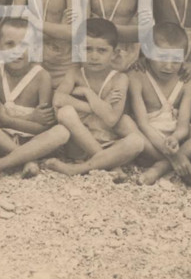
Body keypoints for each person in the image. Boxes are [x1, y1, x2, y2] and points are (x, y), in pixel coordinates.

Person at [0, 18, 71, 180]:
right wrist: (28, 119)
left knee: (61, 132)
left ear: (35, 48)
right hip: (1, 140)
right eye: (10, 44)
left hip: (33, 142)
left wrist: (6, 119)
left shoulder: (42, 77)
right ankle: (25, 159)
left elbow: (42, 128)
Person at [43, 18, 146, 176]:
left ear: (114, 53)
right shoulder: (75, 73)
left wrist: (87, 93)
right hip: (80, 144)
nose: (94, 56)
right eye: (88, 49)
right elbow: (58, 99)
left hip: (111, 144)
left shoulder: (120, 79)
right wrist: (99, 106)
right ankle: (109, 164)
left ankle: (78, 169)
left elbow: (111, 119)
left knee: (136, 140)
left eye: (102, 51)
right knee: (65, 112)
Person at [131, 23, 191, 185]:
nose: (168, 66)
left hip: (175, 140)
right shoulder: (137, 76)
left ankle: (162, 167)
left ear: (184, 57)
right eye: (161, 58)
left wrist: (174, 139)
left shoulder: (188, 80)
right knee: (125, 122)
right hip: (148, 141)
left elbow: (182, 126)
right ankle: (179, 160)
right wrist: (175, 153)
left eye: (175, 60)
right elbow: (143, 124)